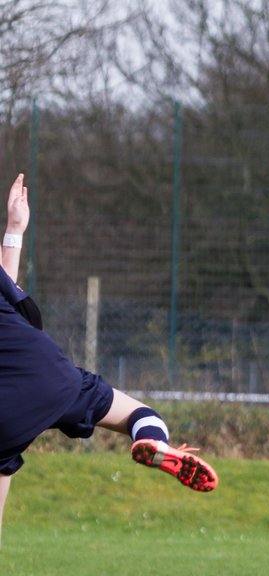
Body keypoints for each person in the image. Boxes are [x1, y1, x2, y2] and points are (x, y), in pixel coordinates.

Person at [0, 173, 217, 546]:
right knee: (139, 414)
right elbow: (9, 283)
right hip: (55, 375)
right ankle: (157, 444)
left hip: (8, 400)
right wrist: (15, 227)